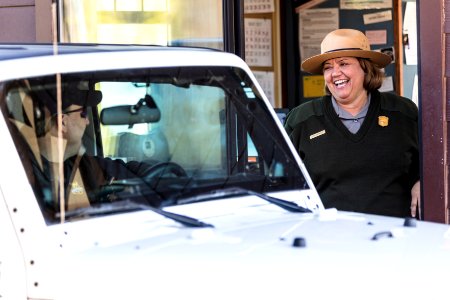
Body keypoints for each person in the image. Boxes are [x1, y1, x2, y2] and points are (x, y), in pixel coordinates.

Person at [284, 29, 420, 218]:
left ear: (366, 68)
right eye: (328, 67)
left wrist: (421, 182)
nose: (335, 73)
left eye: (344, 64)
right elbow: (282, 183)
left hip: (395, 237)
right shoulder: (302, 120)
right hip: (327, 239)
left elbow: (430, 163)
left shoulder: (403, 113)